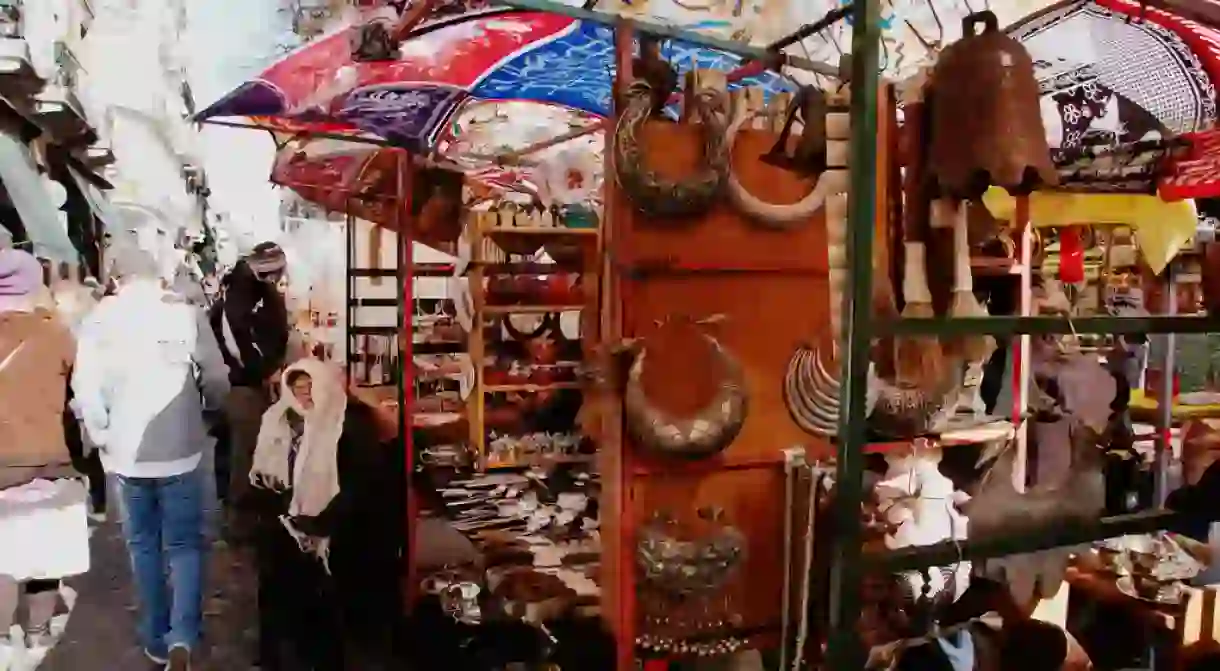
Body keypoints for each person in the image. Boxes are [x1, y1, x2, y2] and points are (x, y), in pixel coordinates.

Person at [72, 243, 230, 670]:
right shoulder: (184, 313)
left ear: (117, 277)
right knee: (183, 544)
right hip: (181, 448)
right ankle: (183, 635)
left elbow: (86, 390)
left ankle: (157, 636)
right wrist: (208, 416)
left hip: (126, 456)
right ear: (156, 276)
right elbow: (215, 379)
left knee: (143, 545)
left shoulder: (99, 319)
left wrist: (104, 435)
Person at [251, 358, 402, 669]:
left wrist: (319, 524)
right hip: (292, 525)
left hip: (340, 531)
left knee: (320, 605)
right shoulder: (279, 420)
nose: (304, 394)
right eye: (297, 388)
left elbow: (360, 488)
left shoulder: (348, 426)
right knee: (277, 581)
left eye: (310, 387)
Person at [0, 249, 85, 668]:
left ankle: (0, 642)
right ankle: (36, 637)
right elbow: (80, 396)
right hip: (47, 458)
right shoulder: (56, 334)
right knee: (43, 551)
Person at [209, 242, 289, 540]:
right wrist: (265, 371)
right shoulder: (241, 291)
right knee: (245, 452)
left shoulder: (252, 288)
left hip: (248, 381)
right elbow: (236, 342)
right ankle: (239, 526)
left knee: (240, 450)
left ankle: (239, 517)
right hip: (242, 385)